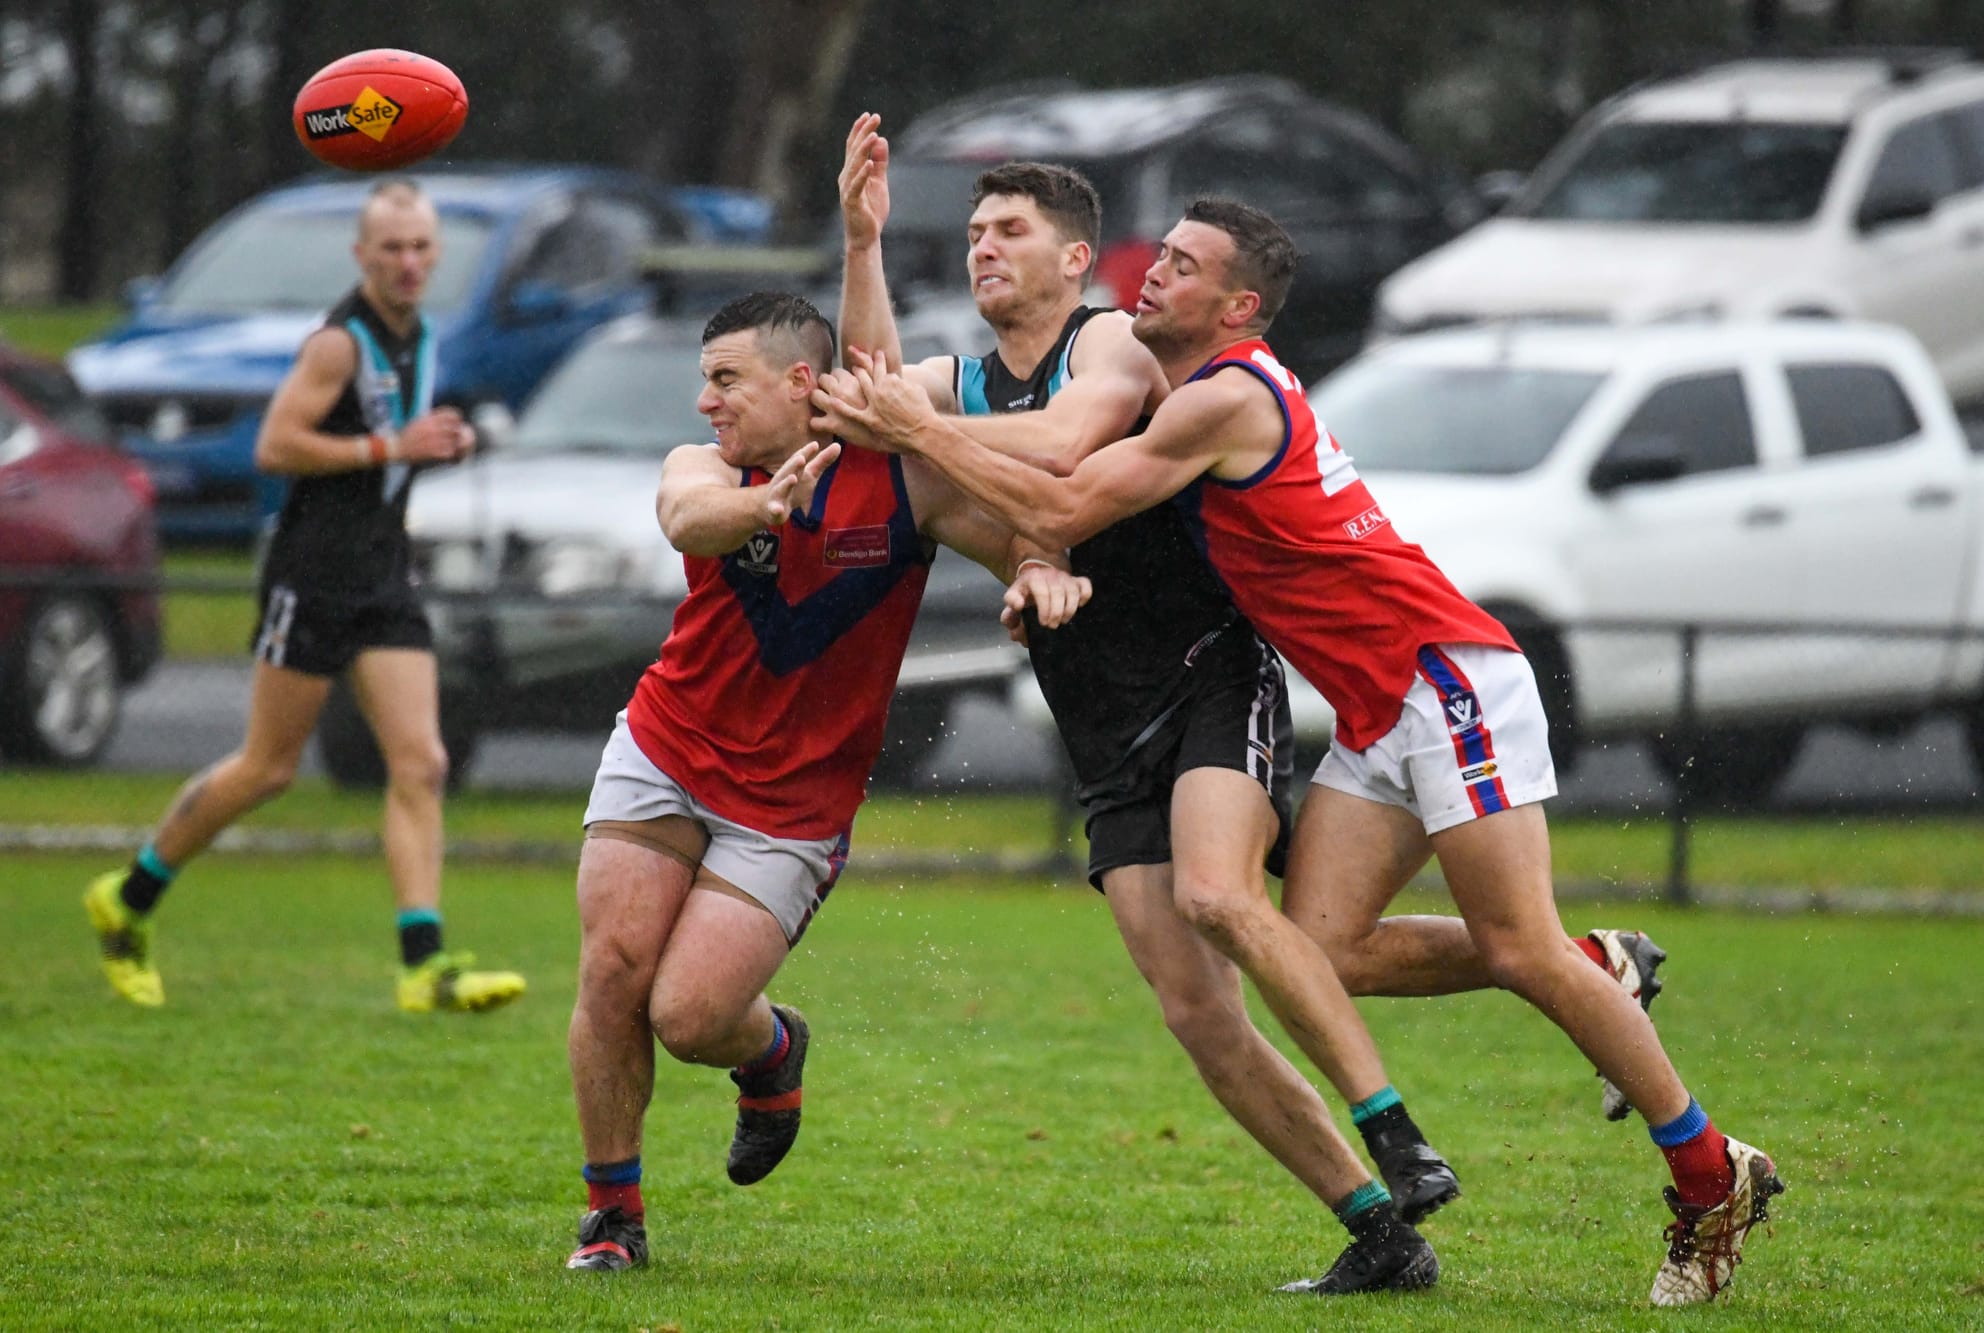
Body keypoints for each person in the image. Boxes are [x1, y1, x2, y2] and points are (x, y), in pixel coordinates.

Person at [811, 197, 1785, 1307]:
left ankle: (1708, 1174)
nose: (1154, 274)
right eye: (1159, 256)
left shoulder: (1225, 395)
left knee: (1517, 950)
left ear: (1236, 308)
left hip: (1443, 674)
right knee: (1327, 949)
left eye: (1181, 267)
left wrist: (916, 431)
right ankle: (1592, 964)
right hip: (1374, 709)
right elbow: (1048, 494)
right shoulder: (1175, 391)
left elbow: (1071, 492)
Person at [832, 113, 1448, 1295]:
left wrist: (944, 455)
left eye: (1009, 229)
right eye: (970, 231)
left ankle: (1395, 1129)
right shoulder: (960, 381)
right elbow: (877, 406)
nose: (982, 249)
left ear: (1074, 258)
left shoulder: (1109, 344)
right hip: (1099, 724)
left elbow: (1060, 459)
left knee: (1222, 894)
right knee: (1195, 1007)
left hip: (1206, 674)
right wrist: (863, 245)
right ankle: (1380, 1228)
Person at [562, 291, 1090, 1273]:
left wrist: (1033, 573)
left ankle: (768, 1054)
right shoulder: (710, 466)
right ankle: (611, 1220)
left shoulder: (900, 484)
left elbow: (1024, 529)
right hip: (666, 746)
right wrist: (757, 505)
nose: (704, 401)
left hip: (792, 802)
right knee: (611, 971)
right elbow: (686, 512)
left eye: (726, 380)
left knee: (688, 1017)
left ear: (799, 382)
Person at [83, 179, 525, 1016]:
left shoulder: (423, 336)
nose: (407, 261)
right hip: (313, 574)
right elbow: (275, 445)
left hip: (383, 572)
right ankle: (130, 897)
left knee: (422, 762)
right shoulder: (338, 343)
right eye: (390, 248)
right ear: (361, 255)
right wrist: (395, 443)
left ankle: (423, 966)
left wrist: (434, 446)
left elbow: (392, 446)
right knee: (268, 767)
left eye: (421, 247)